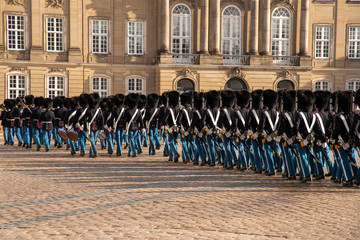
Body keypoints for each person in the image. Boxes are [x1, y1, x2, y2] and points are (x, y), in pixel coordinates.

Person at [124, 93, 144, 157]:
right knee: (133, 140)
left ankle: (134, 152)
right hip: (136, 127)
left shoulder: (127, 111)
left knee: (131, 139)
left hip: (130, 127)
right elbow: (141, 120)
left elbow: (125, 120)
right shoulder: (138, 111)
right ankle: (130, 152)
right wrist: (142, 127)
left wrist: (124, 127)